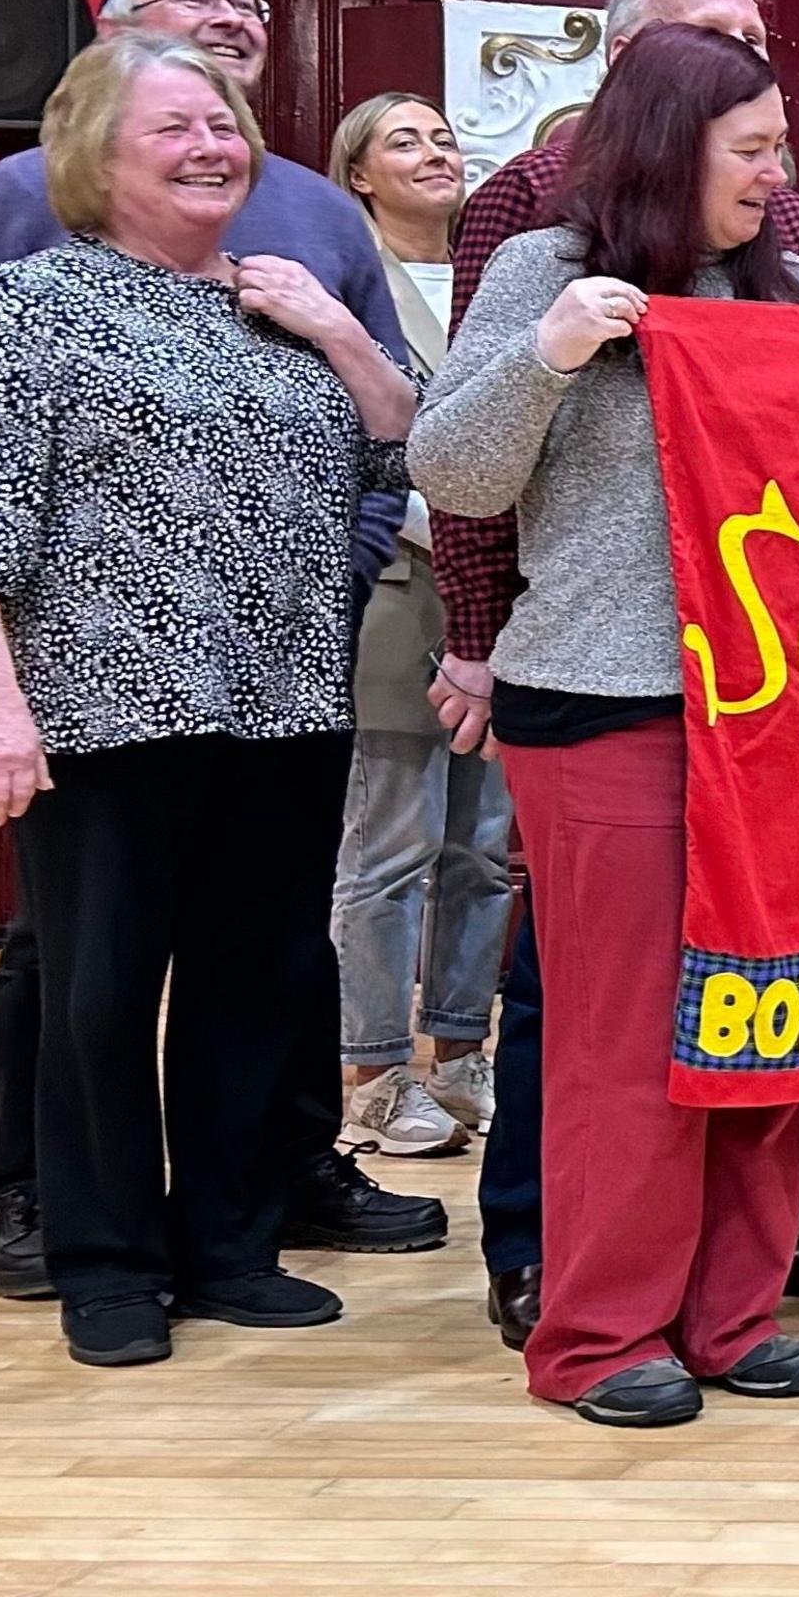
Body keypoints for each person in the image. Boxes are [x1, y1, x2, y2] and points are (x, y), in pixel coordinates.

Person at [0, 0, 437, 1302]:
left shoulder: (281, 296)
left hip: (282, 705)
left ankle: (230, 1244)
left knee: (252, 987)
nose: (214, 147)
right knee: (97, 995)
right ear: (97, 157)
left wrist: (333, 327)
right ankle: (104, 1258)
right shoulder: (29, 306)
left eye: (226, 128)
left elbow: (406, 451)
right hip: (103, 712)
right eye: (179, 128)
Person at [412, 25, 799, 1427]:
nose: (779, 176)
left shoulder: (772, 277)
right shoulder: (547, 268)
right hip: (604, 698)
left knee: (763, 1013)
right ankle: (601, 1332)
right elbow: (452, 470)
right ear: (669, 145)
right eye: (755, 149)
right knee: (623, 1034)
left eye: (780, 146)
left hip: (770, 704)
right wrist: (546, 353)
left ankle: (733, 1310)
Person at [321, 92, 511, 1160]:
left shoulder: (495, 274)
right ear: (359, 175)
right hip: (398, 587)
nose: (435, 153)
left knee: (482, 847)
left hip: (499, 594)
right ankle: (374, 1071)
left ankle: (460, 1049)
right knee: (391, 844)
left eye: (444, 138)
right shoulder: (350, 285)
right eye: (406, 141)